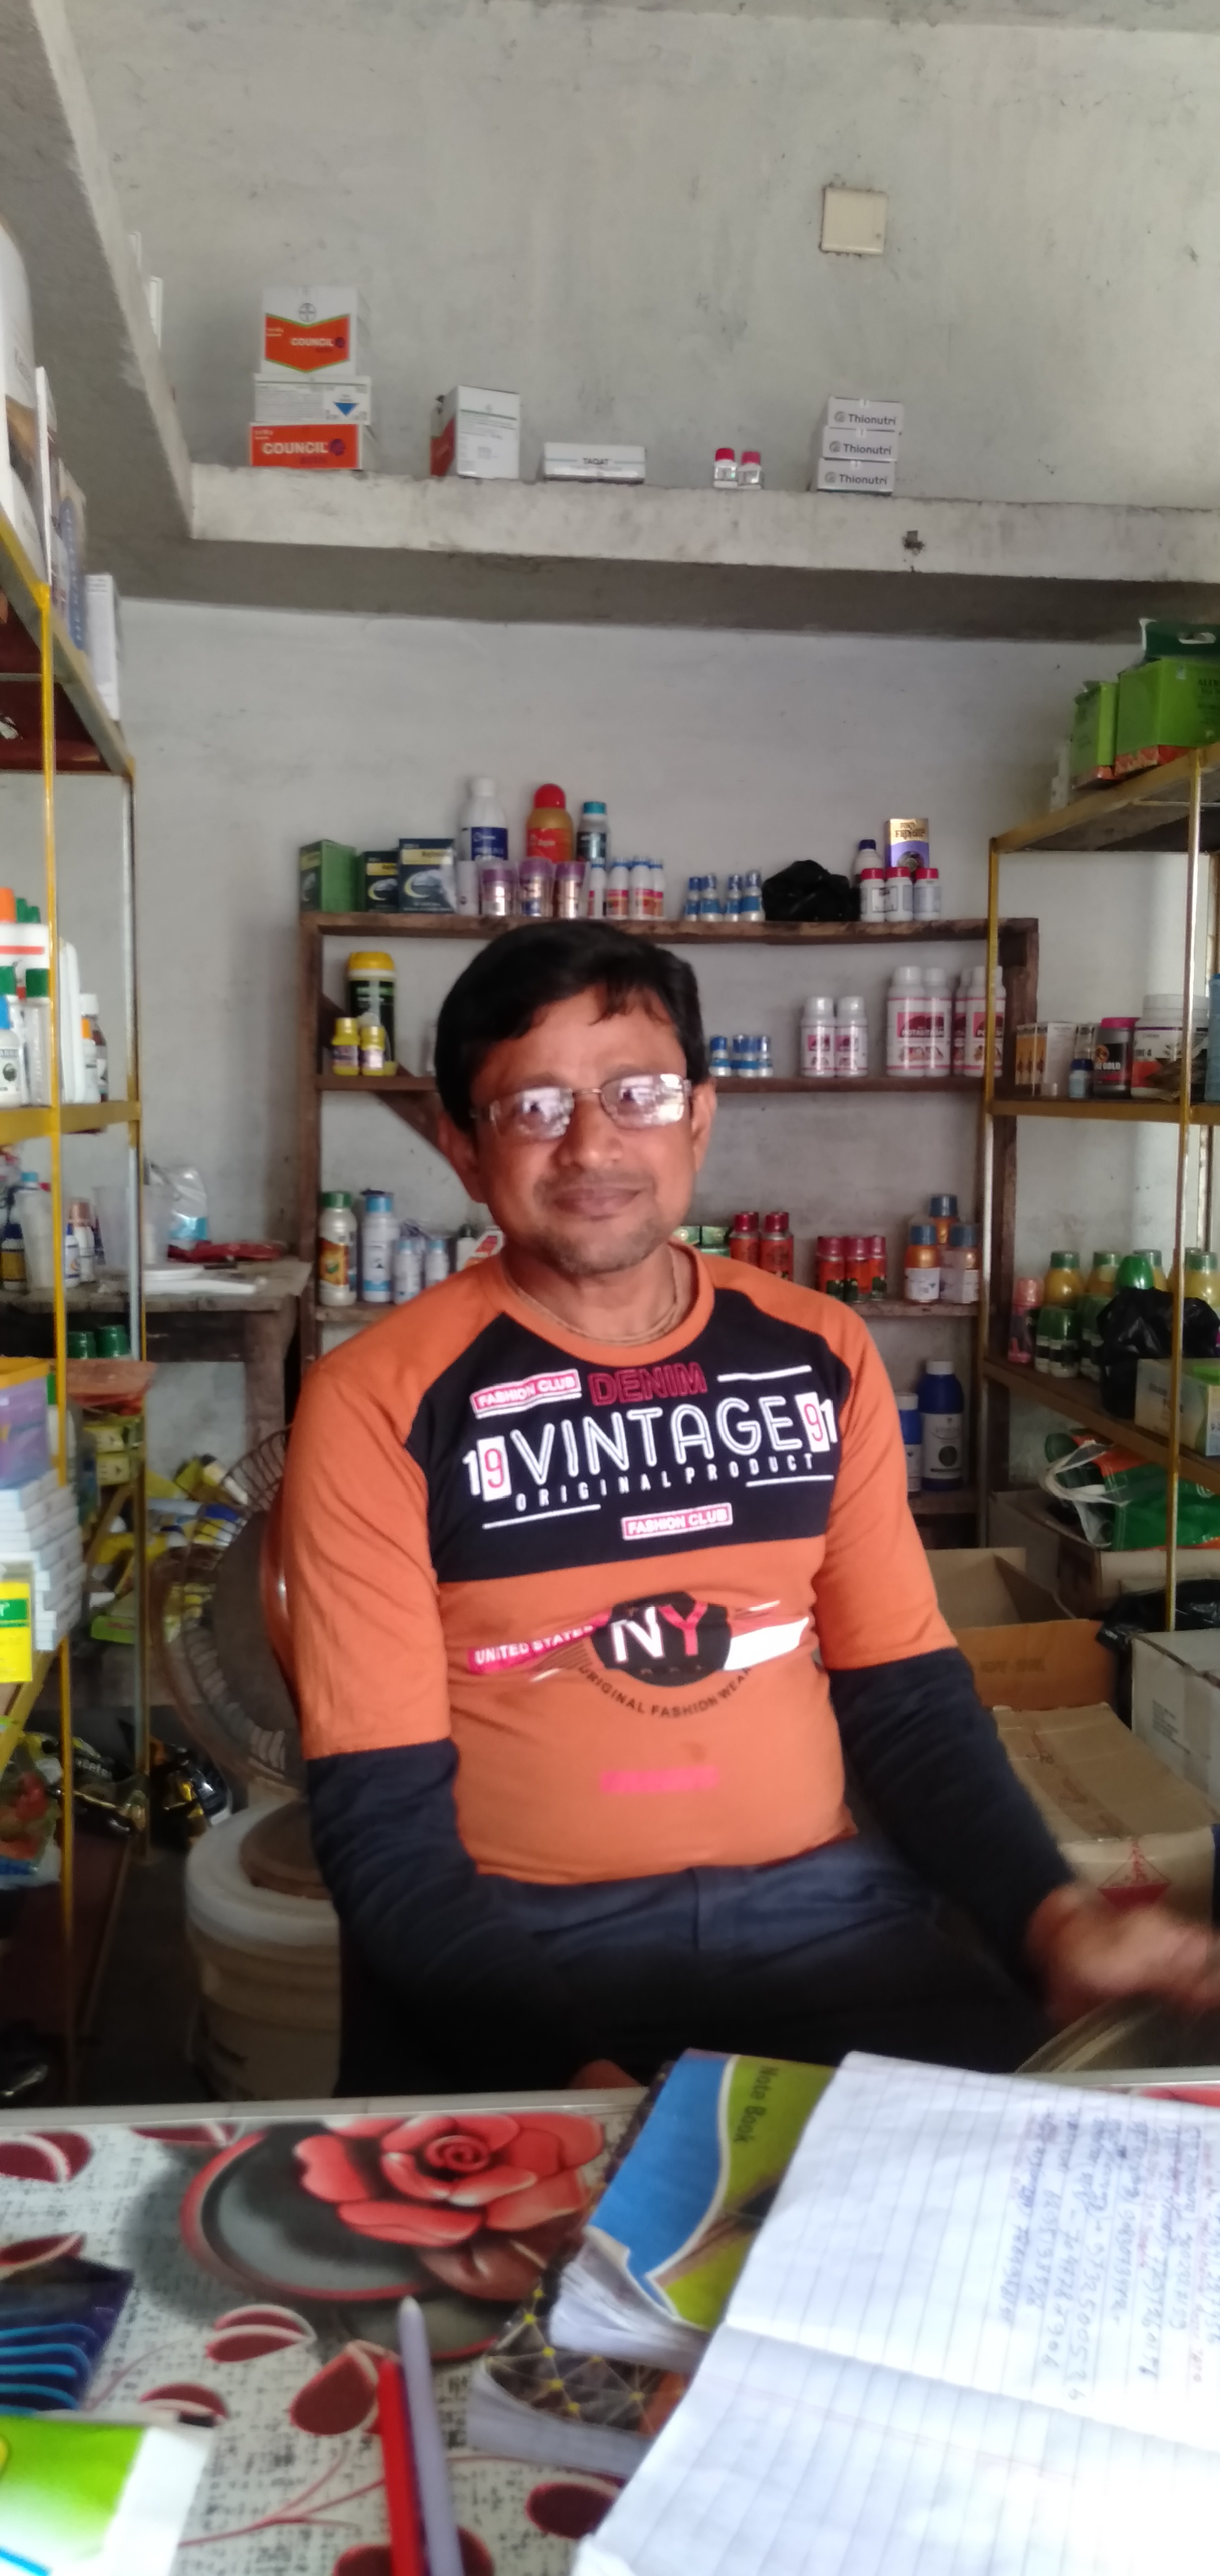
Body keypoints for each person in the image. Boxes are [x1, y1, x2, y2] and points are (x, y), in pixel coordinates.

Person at [281, 921, 1220, 2094]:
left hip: (824, 1923)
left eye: (638, 1093)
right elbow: (381, 1816)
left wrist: (1055, 1919)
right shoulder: (378, 1399)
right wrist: (571, 2084)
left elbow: (906, 1700)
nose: (592, 1144)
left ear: (699, 1117)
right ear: (463, 1150)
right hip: (517, 1940)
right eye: (533, 1106)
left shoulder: (815, 1352)